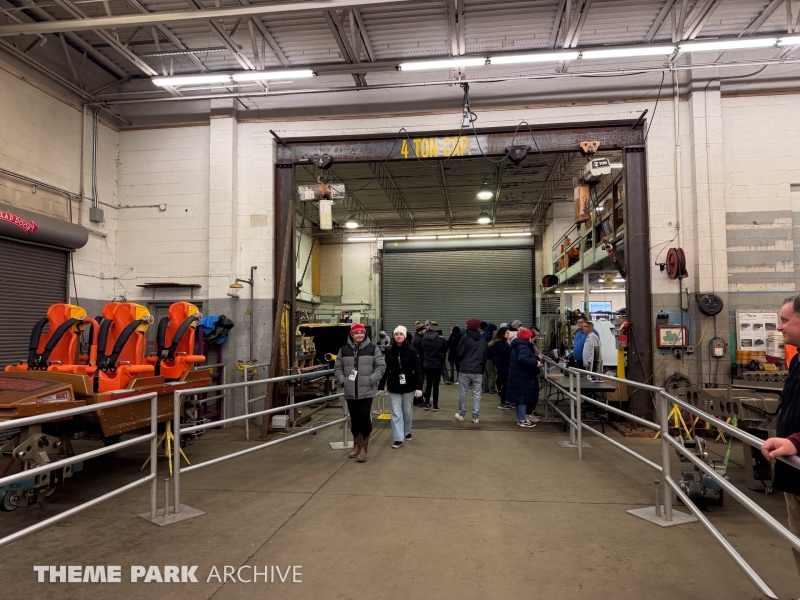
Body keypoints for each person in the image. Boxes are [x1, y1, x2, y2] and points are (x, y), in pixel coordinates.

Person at [759, 295, 800, 580]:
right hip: (792, 470)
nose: (780, 327)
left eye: (785, 320)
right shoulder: (797, 360)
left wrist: (797, 442)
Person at [334, 323, 386, 462]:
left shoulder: (373, 349)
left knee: (364, 418)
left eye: (361, 333)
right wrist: (343, 381)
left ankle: (364, 446)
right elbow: (338, 368)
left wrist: (371, 379)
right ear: (351, 335)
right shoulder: (343, 350)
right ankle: (356, 443)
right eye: (356, 333)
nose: (359, 335)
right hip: (350, 391)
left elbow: (381, 366)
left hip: (366, 391)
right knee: (355, 419)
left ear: (365, 334)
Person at [378, 325, 423, 449]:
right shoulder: (390, 351)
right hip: (393, 385)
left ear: (404, 336)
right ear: (394, 336)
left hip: (409, 384)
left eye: (401, 334)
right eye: (396, 334)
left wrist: (419, 387)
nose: (398, 336)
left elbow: (418, 369)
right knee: (395, 413)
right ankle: (398, 438)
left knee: (407, 411)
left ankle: (407, 431)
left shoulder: (412, 351)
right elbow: (386, 369)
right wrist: (381, 386)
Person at [455, 318, 487, 424]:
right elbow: (484, 357)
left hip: (465, 369)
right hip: (477, 370)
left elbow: (459, 353)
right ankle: (475, 417)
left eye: (466, 324)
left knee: (463, 393)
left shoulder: (465, 338)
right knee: (477, 394)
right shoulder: (483, 340)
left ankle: (461, 414)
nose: (465, 325)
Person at [506, 327, 540, 428]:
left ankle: (520, 418)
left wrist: (536, 358)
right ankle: (522, 420)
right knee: (522, 399)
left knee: (518, 400)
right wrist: (536, 362)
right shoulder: (524, 347)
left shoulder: (517, 345)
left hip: (517, 376)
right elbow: (523, 360)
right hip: (522, 377)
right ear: (529, 338)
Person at [421, 321, 447, 411]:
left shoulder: (424, 338)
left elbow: (422, 350)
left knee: (428, 383)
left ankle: (427, 403)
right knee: (436, 384)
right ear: (437, 329)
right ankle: (435, 404)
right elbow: (444, 351)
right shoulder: (442, 340)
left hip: (427, 364)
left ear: (430, 328)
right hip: (438, 365)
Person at [493, 326, 512, 409]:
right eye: (507, 333)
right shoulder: (500, 343)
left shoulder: (504, 342)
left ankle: (505, 401)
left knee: (506, 384)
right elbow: (505, 352)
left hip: (504, 365)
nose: (509, 334)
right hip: (503, 366)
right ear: (503, 334)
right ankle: (502, 402)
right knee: (505, 384)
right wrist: (512, 349)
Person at [412, 322, 427, 405]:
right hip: (420, 363)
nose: (425, 330)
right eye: (424, 329)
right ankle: (418, 399)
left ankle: (417, 399)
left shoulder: (416, 339)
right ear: (420, 330)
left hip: (418, 363)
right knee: (419, 381)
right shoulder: (419, 339)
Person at [482, 323, 498, 393]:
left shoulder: (483, 335)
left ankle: (485, 387)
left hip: (483, 357)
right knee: (492, 372)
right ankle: (492, 387)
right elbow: (492, 348)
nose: (496, 332)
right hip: (490, 357)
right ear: (493, 330)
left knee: (485, 372)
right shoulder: (491, 337)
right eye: (495, 330)